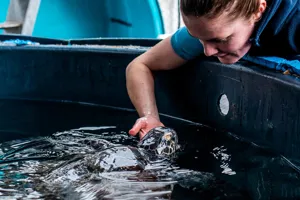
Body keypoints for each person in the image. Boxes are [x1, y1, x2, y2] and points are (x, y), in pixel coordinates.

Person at [126, 0, 300, 139]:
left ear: (258, 10)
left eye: (220, 40)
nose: (208, 51)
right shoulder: (211, 28)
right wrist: (150, 118)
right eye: (199, 39)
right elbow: (140, 66)